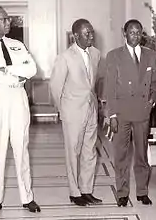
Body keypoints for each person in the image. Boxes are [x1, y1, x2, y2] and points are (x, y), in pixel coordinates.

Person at [0, 5, 40, 215]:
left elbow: (32, 69)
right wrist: (15, 73)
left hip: (18, 96)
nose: (9, 22)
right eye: (4, 19)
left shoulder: (17, 44)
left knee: (22, 147)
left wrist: (8, 69)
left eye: (8, 19)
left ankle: (27, 197)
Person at [105, 19, 156, 207]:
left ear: (141, 34)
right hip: (121, 113)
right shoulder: (114, 56)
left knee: (141, 154)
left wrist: (151, 102)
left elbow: (155, 84)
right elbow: (109, 87)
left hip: (142, 113)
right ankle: (122, 192)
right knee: (121, 155)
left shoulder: (151, 56)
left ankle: (142, 191)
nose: (135, 35)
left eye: (138, 32)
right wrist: (111, 115)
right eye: (131, 32)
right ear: (124, 33)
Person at [50, 19, 102, 206]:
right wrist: (62, 110)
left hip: (91, 109)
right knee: (72, 153)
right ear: (76, 36)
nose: (91, 36)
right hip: (72, 111)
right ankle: (74, 192)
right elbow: (55, 87)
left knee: (90, 151)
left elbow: (93, 84)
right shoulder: (65, 57)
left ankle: (86, 190)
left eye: (92, 32)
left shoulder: (96, 54)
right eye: (87, 33)